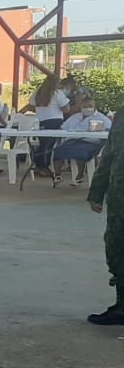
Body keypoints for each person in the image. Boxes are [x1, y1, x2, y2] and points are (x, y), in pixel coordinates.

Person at [87, 102, 124, 325]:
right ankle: (122, 306)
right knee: (116, 248)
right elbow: (109, 153)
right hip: (119, 199)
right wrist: (97, 191)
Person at [52, 98, 112, 185]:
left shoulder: (101, 118)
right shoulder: (75, 117)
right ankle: (57, 176)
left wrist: (100, 130)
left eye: (90, 106)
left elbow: (109, 130)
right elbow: (63, 128)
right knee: (58, 150)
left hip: (91, 142)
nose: (87, 108)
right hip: (72, 141)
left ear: (95, 107)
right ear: (81, 107)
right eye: (84, 106)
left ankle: (80, 176)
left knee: (80, 151)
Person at [21, 75, 73, 173]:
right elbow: (66, 109)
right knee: (50, 146)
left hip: (42, 121)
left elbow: (31, 106)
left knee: (43, 144)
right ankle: (45, 167)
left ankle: (39, 165)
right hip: (55, 121)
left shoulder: (38, 93)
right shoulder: (57, 93)